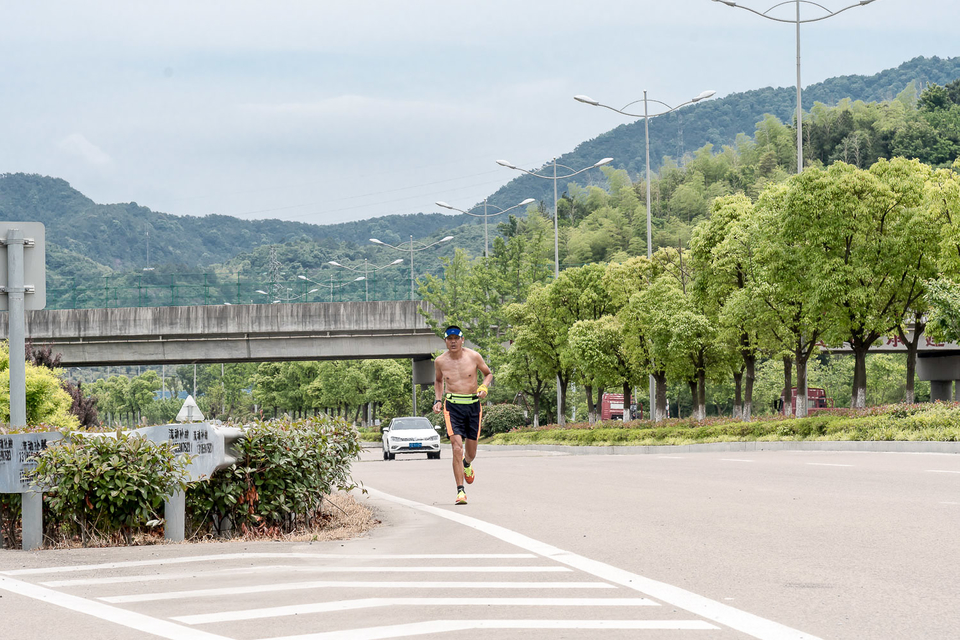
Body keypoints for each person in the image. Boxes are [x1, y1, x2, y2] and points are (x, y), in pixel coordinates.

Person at [433, 325, 493, 505]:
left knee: (471, 452)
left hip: (473, 406)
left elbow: (488, 374)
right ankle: (460, 491)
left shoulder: (474, 356)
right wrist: (437, 400)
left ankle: (467, 464)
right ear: (445, 341)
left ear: (462, 339)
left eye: (455, 338)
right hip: (452, 406)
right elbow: (438, 380)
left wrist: (483, 387)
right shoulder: (440, 361)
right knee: (456, 447)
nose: (452, 341)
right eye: (449, 339)